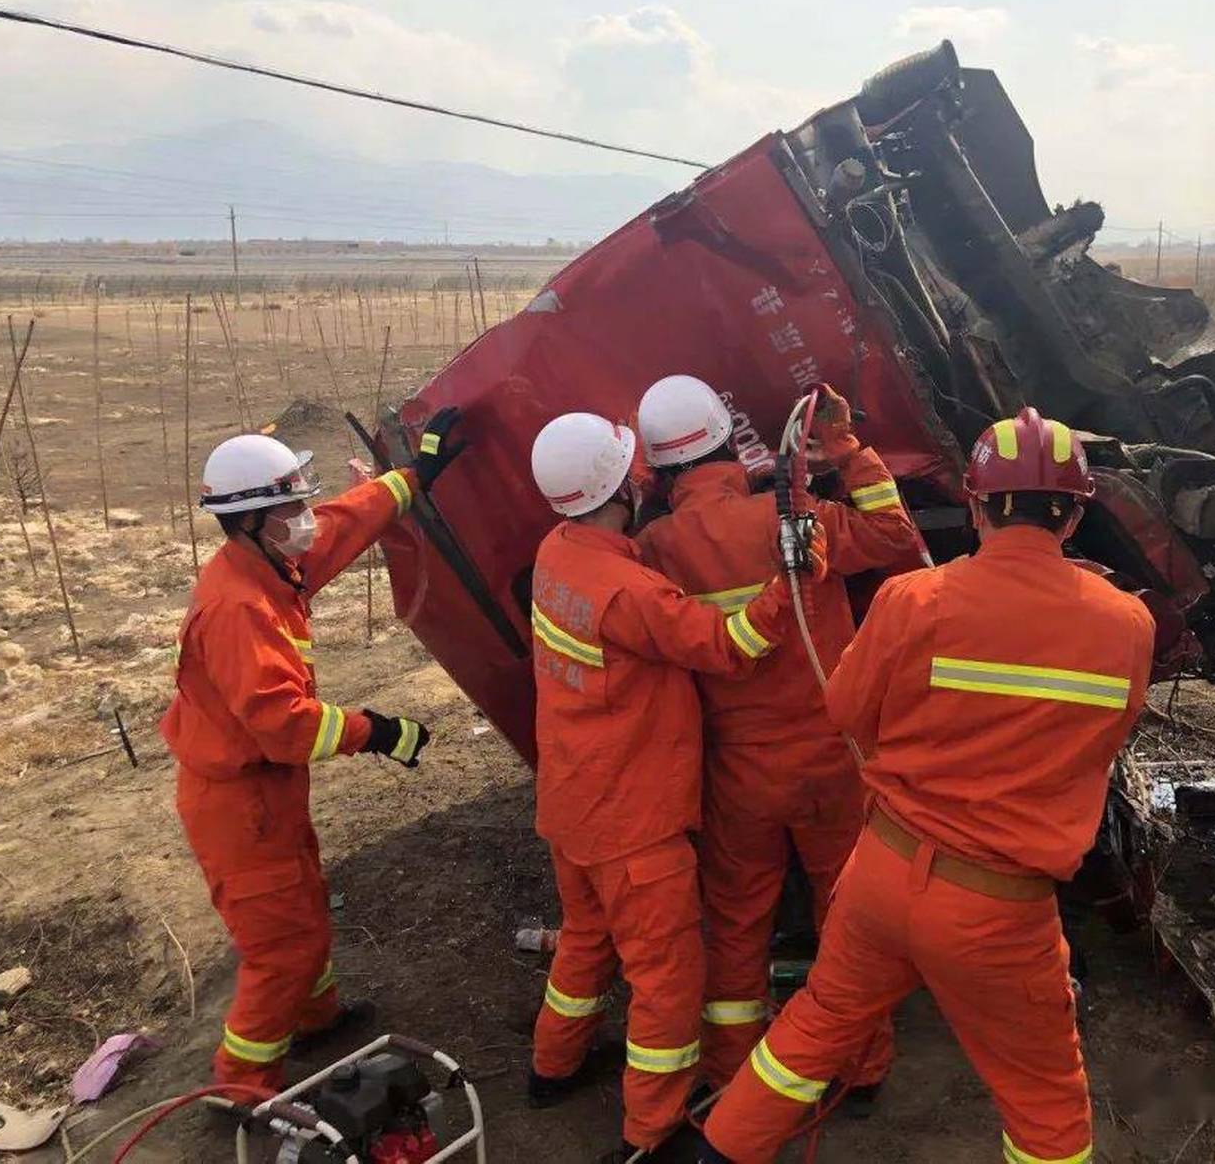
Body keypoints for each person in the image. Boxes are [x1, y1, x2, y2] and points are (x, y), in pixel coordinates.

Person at [699, 408, 1157, 1164]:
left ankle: (721, 1153)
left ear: (977, 506)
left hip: (882, 873)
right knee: (1046, 1105)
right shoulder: (1127, 624)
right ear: (1074, 516)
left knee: (810, 1033)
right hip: (997, 907)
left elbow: (844, 712)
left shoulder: (915, 600)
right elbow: (1097, 744)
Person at [525, 411, 822, 1164]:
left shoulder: (557, 553)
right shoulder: (631, 593)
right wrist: (789, 581)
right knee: (667, 981)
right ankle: (650, 1133)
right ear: (620, 484)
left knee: (587, 943)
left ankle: (551, 1067)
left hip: (574, 802)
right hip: (634, 823)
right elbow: (729, 647)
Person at [633, 376, 919, 1098]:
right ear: (729, 440)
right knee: (848, 917)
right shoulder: (792, 520)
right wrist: (850, 451)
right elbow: (894, 536)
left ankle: (733, 1071)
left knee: (735, 925)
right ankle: (861, 1068)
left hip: (736, 774)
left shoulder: (653, 548)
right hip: (832, 760)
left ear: (660, 468)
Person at [161, 413, 463, 1092]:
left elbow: (343, 525)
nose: (305, 517)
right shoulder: (239, 608)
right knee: (281, 946)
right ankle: (242, 1084)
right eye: (291, 506)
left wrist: (411, 481)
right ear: (253, 520)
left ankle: (316, 1019)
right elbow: (284, 724)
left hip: (263, 794)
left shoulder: (269, 565)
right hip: (239, 803)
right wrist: (376, 730)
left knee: (302, 902)